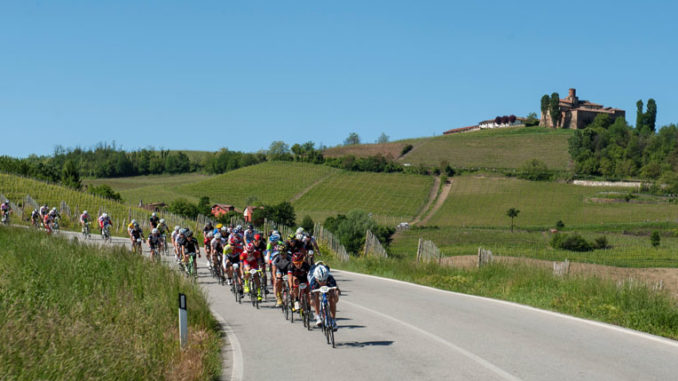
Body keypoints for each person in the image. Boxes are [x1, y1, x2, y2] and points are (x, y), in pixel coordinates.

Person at [310, 264, 340, 330]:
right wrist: (312, 298)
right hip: (316, 287)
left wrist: (336, 293)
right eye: (320, 281)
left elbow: (335, 290)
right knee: (315, 296)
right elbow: (311, 297)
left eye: (324, 280)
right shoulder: (313, 280)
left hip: (328, 285)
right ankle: (318, 316)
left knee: (332, 297)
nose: (323, 282)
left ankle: (333, 320)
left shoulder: (330, 278)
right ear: (316, 278)